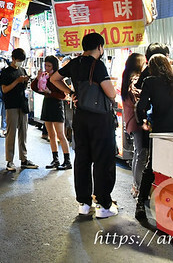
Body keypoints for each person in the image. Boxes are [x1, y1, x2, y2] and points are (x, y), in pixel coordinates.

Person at [50, 33, 118, 218]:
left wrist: (71, 92)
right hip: (100, 119)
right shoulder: (98, 65)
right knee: (103, 160)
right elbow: (111, 93)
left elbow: (54, 79)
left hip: (80, 117)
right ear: (100, 47)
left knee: (82, 158)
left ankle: (84, 204)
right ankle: (103, 205)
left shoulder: (74, 63)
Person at [135, 54, 173, 220]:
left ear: (152, 68)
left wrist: (143, 121)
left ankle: (141, 204)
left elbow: (141, 106)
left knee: (152, 166)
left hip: (161, 130)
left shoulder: (150, 81)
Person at [0, 49, 37, 170]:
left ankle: (24, 159)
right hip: (11, 105)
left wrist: (25, 81)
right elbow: (4, 89)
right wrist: (17, 81)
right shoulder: (5, 72)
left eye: (21, 61)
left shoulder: (22, 70)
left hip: (22, 104)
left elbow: (23, 87)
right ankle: (9, 161)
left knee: (23, 133)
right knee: (11, 133)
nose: (20, 62)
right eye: (18, 60)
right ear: (13, 59)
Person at [34, 55, 71, 170]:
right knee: (51, 134)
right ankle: (55, 159)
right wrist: (38, 78)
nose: (46, 68)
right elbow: (35, 88)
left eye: (49, 66)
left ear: (54, 66)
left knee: (60, 134)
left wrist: (50, 92)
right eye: (45, 65)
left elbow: (63, 95)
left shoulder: (57, 78)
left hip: (56, 106)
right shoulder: (44, 76)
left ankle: (67, 160)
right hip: (47, 104)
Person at [120, 53, 147, 199]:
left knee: (138, 153)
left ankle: (136, 185)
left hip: (131, 120)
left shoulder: (127, 77)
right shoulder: (135, 79)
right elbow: (140, 99)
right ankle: (138, 186)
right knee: (141, 153)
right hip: (137, 121)